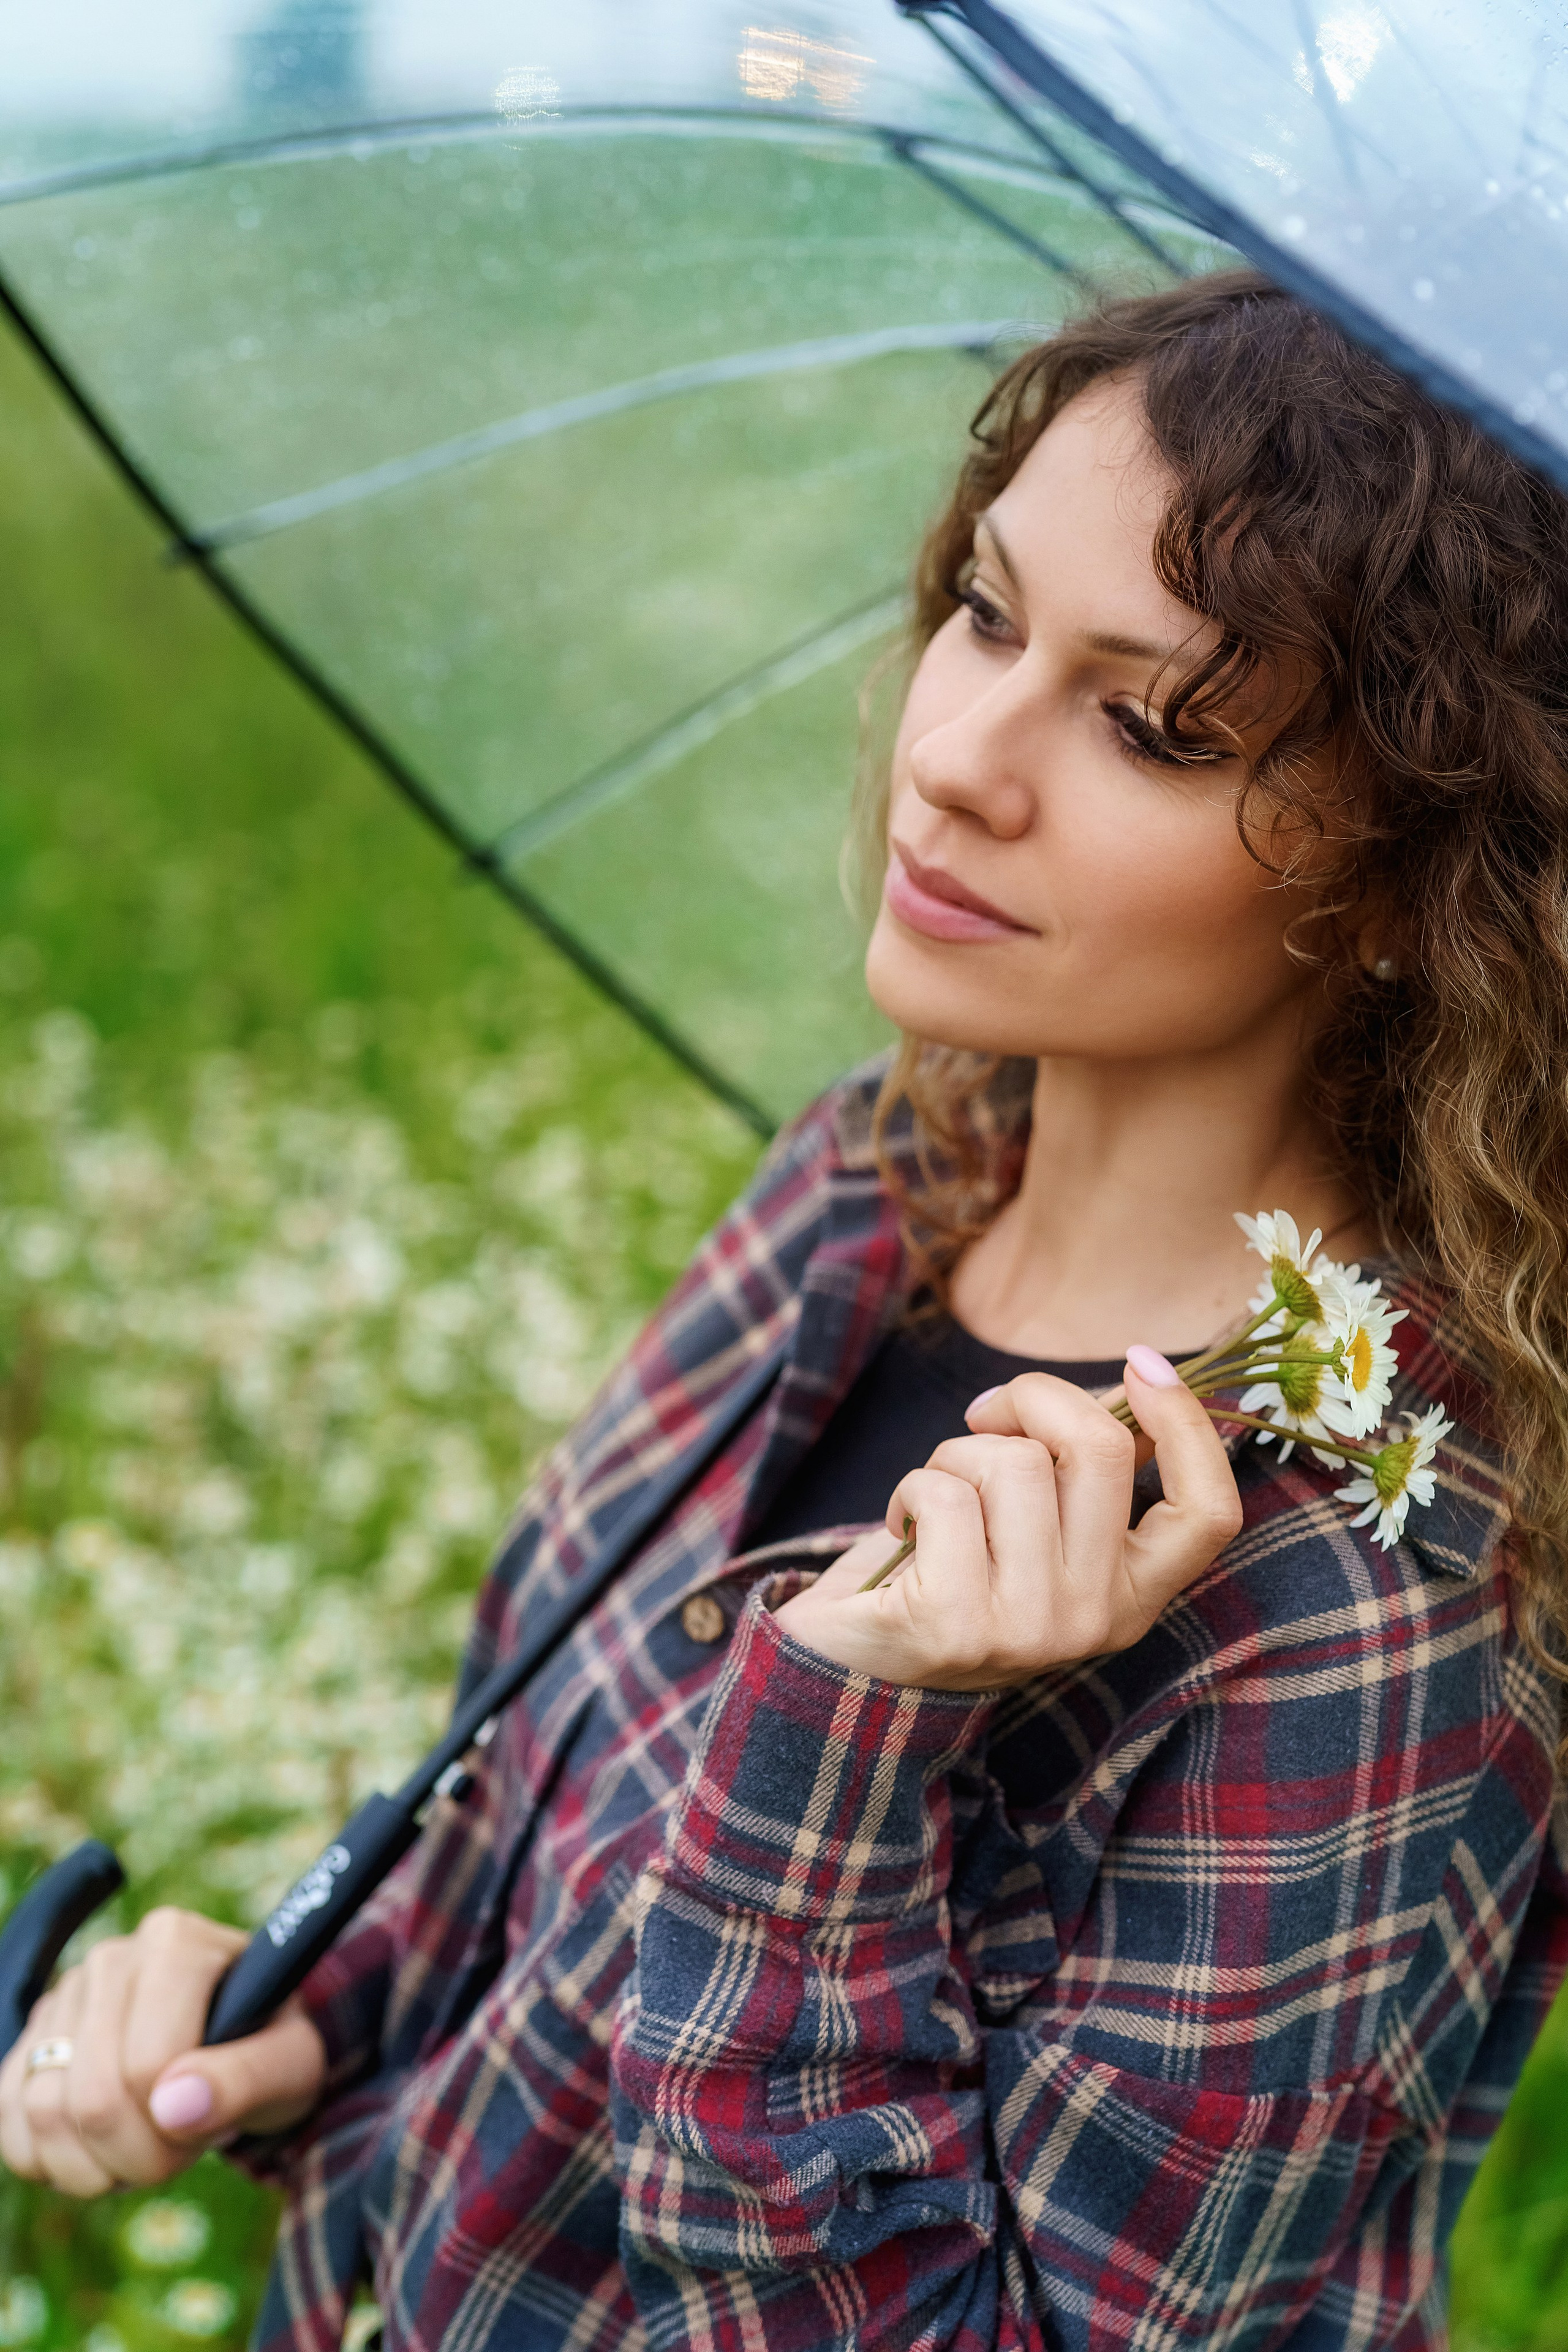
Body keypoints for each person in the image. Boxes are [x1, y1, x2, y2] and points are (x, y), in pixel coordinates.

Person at [4, 269, 1567, 2351]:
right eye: (988, 613)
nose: (956, 759)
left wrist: (843, 1738)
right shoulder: (864, 1187)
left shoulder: (1380, 1595)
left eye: (1150, 725)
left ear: (1404, 875)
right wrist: (321, 2018)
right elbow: (565, 1875)